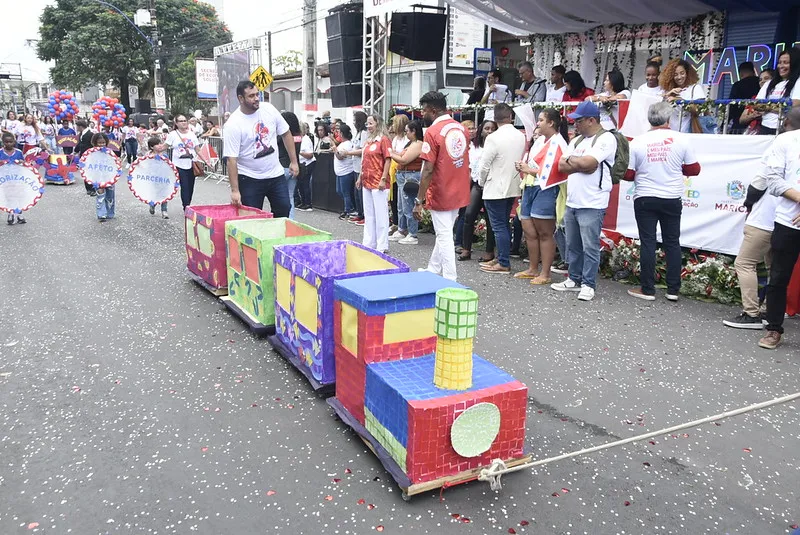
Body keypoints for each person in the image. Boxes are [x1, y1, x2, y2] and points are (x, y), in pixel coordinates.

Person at [722, 112, 799, 329]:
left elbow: (760, 182)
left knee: (745, 263)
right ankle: (770, 312)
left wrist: (748, 202)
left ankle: (751, 313)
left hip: (765, 217)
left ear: (785, 124)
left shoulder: (780, 145)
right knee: (774, 267)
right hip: (787, 220)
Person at [623, 102, 701, 301]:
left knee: (648, 242)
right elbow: (694, 170)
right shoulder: (681, 139)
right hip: (671, 197)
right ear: (669, 119)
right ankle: (673, 289)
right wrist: (675, 169)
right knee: (672, 242)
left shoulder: (638, 142)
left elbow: (629, 174)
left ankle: (647, 289)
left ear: (650, 119)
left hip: (645, 197)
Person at [552, 101, 617, 301]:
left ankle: (588, 284)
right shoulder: (577, 141)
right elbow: (561, 165)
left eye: (578, 121)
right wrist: (580, 165)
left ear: (591, 120)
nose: (575, 125)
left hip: (593, 202)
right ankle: (574, 278)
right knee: (573, 244)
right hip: (573, 200)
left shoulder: (606, 138)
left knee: (589, 246)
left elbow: (590, 163)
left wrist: (577, 163)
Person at [414, 91, 471, 281]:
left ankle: (450, 279)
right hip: (459, 187)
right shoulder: (461, 128)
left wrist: (419, 200)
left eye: (424, 110)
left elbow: (428, 169)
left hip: (441, 190)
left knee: (444, 234)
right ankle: (433, 268)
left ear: (433, 110)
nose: (422, 114)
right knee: (445, 230)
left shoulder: (432, 132)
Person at [758, 106, 800, 349]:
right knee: (778, 277)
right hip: (787, 221)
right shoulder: (784, 141)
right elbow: (773, 181)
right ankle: (774, 329)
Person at [223, 81, 297, 217]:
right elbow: (231, 160)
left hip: (275, 174)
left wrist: (294, 161)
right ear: (241, 98)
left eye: (257, 94)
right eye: (251, 96)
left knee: (284, 209)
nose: (256, 98)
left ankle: (277, 238)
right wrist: (235, 190)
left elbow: (286, 133)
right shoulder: (233, 124)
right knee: (252, 217)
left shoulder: (268, 109)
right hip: (250, 178)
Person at [514, 109, 569, 283]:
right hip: (530, 186)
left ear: (551, 123)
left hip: (546, 189)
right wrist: (524, 167)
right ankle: (532, 268)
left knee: (545, 232)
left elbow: (553, 172)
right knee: (529, 231)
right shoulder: (540, 141)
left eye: (541, 120)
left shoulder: (559, 143)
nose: (537, 123)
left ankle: (545, 273)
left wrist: (527, 169)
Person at [476, 103, 526, 274]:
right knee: (504, 223)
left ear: (495, 119)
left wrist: (481, 182)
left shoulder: (493, 137)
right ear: (510, 117)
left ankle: (503, 261)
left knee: (498, 226)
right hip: (512, 184)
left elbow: (484, 165)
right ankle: (502, 256)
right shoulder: (520, 136)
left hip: (494, 186)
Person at [459, 120, 497, 261]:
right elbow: (470, 169)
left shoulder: (496, 146)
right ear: (481, 131)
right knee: (469, 215)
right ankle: (466, 249)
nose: (489, 131)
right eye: (486, 128)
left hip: (490, 185)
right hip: (476, 184)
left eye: (492, 129)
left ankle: (489, 251)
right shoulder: (474, 148)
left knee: (489, 219)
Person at [741, 48, 800, 135]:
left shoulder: (798, 81)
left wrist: (767, 106)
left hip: (787, 129)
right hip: (765, 128)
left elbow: (795, 105)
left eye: (786, 63)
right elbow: (756, 104)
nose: (781, 66)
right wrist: (779, 107)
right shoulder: (768, 84)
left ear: (795, 64)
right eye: (780, 62)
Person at [357, 114, 392, 253]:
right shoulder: (368, 141)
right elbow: (364, 161)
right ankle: (368, 242)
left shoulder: (384, 140)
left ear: (378, 123)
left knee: (381, 214)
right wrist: (360, 177)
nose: (368, 126)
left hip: (379, 182)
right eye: (367, 124)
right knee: (369, 213)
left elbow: (388, 160)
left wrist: (384, 178)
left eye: (371, 123)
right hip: (367, 180)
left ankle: (382, 244)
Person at [389, 120, 424, 245]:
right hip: (403, 175)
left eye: (407, 131)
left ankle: (412, 233)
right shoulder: (411, 143)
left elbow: (404, 160)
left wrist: (391, 153)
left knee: (408, 205)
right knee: (400, 206)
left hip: (410, 176)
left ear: (413, 131)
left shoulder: (418, 144)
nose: (406, 134)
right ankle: (402, 229)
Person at [166, 114, 204, 210]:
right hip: (179, 164)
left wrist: (206, 161)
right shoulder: (173, 135)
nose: (184, 123)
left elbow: (197, 149)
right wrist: (154, 151)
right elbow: (165, 146)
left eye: (185, 121)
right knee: (185, 185)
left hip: (191, 163)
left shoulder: (191, 134)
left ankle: (188, 203)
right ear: (176, 123)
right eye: (181, 121)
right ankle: (186, 206)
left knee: (190, 186)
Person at [661, 58, 706, 132]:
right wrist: (668, 94)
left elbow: (699, 110)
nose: (679, 77)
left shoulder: (696, 88)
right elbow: (658, 110)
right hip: (671, 133)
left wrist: (680, 100)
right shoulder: (668, 90)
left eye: (682, 73)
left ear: (687, 73)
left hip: (690, 133)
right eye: (675, 74)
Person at [387, 114, 410, 240]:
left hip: (401, 170)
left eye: (395, 123)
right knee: (393, 200)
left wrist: (393, 153)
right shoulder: (395, 138)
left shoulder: (407, 140)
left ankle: (403, 226)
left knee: (402, 201)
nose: (392, 126)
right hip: (393, 170)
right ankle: (396, 223)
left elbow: (401, 155)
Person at [277, 111, 303, 219]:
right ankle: (291, 220)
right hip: (294, 167)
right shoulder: (299, 137)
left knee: (279, 198)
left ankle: (282, 220)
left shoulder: (281, 137)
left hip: (282, 166)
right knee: (290, 196)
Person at [726, 62, 762, 134]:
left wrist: (724, 124)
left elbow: (731, 105)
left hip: (739, 125)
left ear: (741, 74)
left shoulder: (737, 85)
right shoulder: (761, 83)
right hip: (758, 124)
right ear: (754, 71)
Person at [1, 132, 26, 225]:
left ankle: (19, 213)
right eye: (6, 142)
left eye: (11, 142)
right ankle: (10, 213)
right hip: (5, 179)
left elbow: (23, 163)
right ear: (3, 142)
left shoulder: (18, 152)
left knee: (18, 195)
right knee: (8, 196)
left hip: (17, 178)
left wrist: (20, 162)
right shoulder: (0, 152)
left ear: (14, 142)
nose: (9, 144)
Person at [91, 133, 116, 222]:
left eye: (103, 143)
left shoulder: (110, 152)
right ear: (95, 143)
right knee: (100, 195)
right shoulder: (91, 153)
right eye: (99, 143)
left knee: (110, 196)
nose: (101, 145)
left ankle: (110, 213)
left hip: (109, 177)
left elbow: (115, 163)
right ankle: (101, 214)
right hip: (97, 177)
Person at [144, 136, 171, 219]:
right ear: (152, 147)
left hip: (163, 177)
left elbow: (169, 166)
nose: (159, 145)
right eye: (156, 144)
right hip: (153, 178)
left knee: (165, 194)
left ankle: (164, 210)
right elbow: (145, 164)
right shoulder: (148, 155)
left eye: (160, 143)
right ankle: (152, 204)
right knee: (154, 193)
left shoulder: (164, 155)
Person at [333, 124, 356, 220]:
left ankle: (348, 210)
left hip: (346, 172)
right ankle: (349, 208)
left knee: (346, 192)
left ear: (342, 133)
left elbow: (340, 157)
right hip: (340, 172)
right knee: (340, 191)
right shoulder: (342, 144)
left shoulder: (347, 144)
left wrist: (335, 150)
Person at [296, 122, 315, 211]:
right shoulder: (300, 139)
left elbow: (310, 155)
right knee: (300, 183)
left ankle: (308, 203)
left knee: (305, 183)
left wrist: (299, 152)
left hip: (307, 163)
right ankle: (303, 202)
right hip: (301, 163)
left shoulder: (306, 140)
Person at [75, 119, 96, 196]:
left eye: (77, 126)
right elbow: (80, 143)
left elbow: (93, 144)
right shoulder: (81, 134)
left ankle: (92, 188)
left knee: (90, 172)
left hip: (89, 156)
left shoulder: (90, 134)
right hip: (83, 156)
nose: (76, 128)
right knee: (85, 172)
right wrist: (75, 150)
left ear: (80, 126)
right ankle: (88, 188)